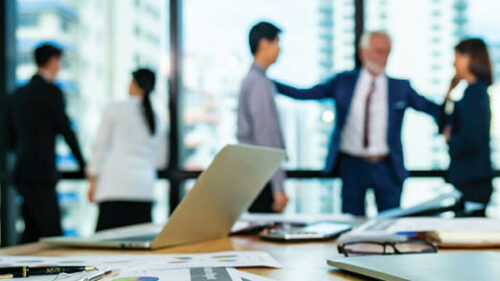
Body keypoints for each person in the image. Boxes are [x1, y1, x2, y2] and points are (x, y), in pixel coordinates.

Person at [273, 31, 442, 216]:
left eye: (387, 52)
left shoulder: (400, 88)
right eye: (378, 51)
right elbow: (306, 94)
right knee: (351, 222)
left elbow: (430, 108)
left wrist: (452, 113)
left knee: (391, 222)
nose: (383, 58)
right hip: (353, 166)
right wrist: (268, 83)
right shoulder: (343, 82)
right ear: (363, 53)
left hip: (386, 166)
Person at [7, 43, 86, 242]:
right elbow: (66, 130)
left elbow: (9, 138)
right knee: (52, 236)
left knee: (31, 232)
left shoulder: (18, 94)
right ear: (52, 62)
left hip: (22, 172)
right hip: (42, 172)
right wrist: (83, 164)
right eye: (59, 61)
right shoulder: (51, 92)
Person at [87, 68, 166, 231]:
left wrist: (93, 180)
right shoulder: (157, 118)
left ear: (134, 84)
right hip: (144, 190)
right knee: (137, 251)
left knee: (104, 250)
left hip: (114, 188)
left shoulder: (116, 108)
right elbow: (161, 160)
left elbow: (100, 146)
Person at [237, 21, 288, 213]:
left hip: (254, 174)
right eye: (277, 42)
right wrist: (278, 186)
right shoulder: (258, 83)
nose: (280, 49)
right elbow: (266, 138)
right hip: (262, 177)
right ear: (264, 44)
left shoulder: (253, 80)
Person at [441, 38, 494, 217]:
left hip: (473, 180)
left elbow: (473, 138)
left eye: (457, 56)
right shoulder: (471, 91)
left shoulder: (475, 94)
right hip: (469, 179)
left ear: (469, 58)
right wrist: (449, 92)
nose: (454, 62)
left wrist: (451, 139)